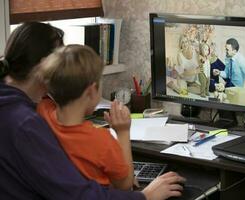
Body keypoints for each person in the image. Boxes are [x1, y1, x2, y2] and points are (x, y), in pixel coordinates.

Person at [0, 21, 185, 200]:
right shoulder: (25, 124)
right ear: (43, 66)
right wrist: (145, 196)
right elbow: (80, 196)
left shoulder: (34, 109)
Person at [37, 44, 134, 190]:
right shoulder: (100, 141)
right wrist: (123, 132)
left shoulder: (42, 113)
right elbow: (126, 185)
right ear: (91, 91)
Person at [213, 38, 245, 106]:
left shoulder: (241, 61)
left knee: (223, 98)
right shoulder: (228, 57)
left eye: (227, 49)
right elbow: (226, 74)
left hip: (237, 88)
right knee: (214, 62)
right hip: (229, 83)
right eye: (225, 48)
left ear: (234, 51)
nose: (225, 51)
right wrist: (219, 72)